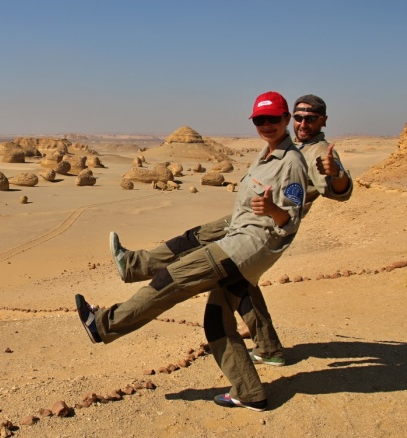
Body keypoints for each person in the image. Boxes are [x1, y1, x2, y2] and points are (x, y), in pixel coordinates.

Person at [76, 91, 309, 411]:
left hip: (244, 249)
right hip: (238, 241)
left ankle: (102, 326)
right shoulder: (267, 154)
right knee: (216, 321)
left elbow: (290, 221)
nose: (266, 125)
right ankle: (250, 392)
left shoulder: (291, 162)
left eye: (272, 119)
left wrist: (272, 209)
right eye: (259, 120)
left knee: (169, 282)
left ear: (286, 120)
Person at [107, 94, 352, 367]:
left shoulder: (318, 152)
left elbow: (337, 191)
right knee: (232, 273)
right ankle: (269, 348)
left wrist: (338, 175)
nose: (303, 123)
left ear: (323, 120)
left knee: (202, 248)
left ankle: (133, 266)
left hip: (263, 224)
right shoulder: (292, 144)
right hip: (252, 216)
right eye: (299, 117)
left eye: (311, 118)